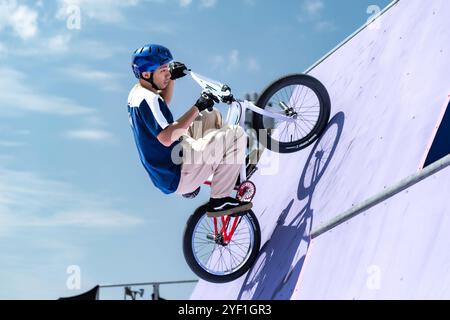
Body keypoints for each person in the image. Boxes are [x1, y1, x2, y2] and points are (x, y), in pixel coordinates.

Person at [127, 44, 252, 217]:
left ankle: (227, 170)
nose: (167, 73)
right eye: (163, 70)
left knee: (211, 115)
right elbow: (166, 138)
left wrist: (171, 79)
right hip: (177, 172)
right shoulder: (147, 99)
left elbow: (163, 101)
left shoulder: (139, 92)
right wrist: (197, 106)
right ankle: (219, 200)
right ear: (147, 74)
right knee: (236, 134)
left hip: (172, 159)